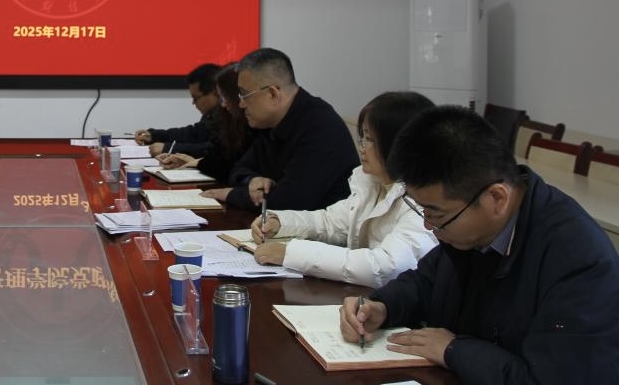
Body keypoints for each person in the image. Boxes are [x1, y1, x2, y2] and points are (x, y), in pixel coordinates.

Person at [340, 106, 619, 383]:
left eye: (436, 214)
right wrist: (382, 306)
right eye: (421, 209)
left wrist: (454, 350)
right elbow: (427, 281)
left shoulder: (580, 263)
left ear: (497, 198)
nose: (428, 225)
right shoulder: (471, 230)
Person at [248, 91, 438, 287]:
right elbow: (330, 222)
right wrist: (280, 222)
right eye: (361, 137)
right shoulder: (374, 184)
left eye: (369, 139)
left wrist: (291, 254)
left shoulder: (423, 202)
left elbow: (384, 267)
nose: (361, 147)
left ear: (398, 144)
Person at [203, 48, 358, 211]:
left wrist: (231, 194)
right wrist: (252, 180)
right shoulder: (273, 122)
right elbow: (239, 169)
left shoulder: (320, 127)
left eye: (244, 94)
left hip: (321, 225)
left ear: (273, 93)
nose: (241, 104)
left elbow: (289, 202)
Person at [157, 63, 255, 182]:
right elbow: (218, 152)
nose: (223, 104)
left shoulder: (254, 125)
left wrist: (195, 161)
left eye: (224, 97)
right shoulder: (227, 118)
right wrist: (196, 162)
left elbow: (236, 166)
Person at [134, 63, 222, 157]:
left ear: (215, 93)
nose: (193, 103)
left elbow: (214, 150)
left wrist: (170, 149)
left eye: (196, 98)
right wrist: (154, 135)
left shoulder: (229, 116)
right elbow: (192, 134)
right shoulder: (211, 114)